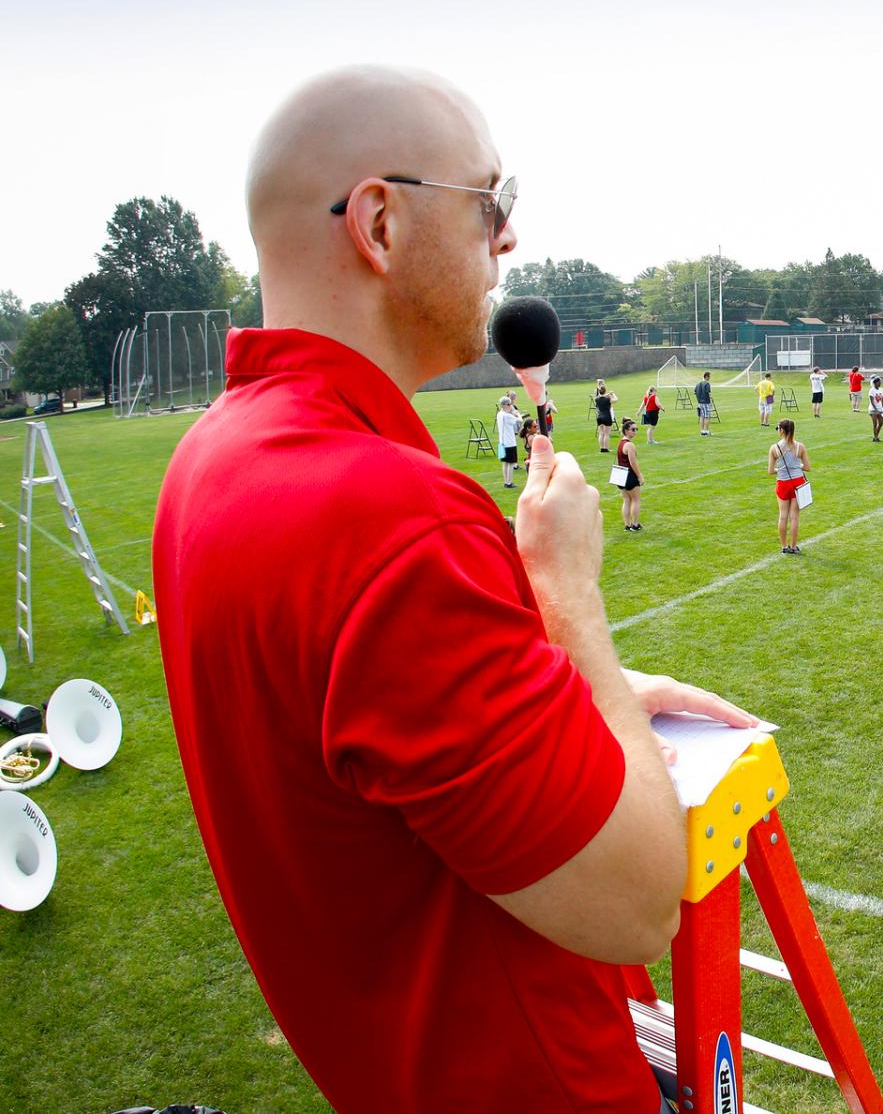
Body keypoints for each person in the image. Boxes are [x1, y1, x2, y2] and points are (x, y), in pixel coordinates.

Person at [154, 66, 760, 1113]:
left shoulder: (206, 459)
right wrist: (570, 602)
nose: (508, 239)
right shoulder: (394, 518)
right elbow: (636, 899)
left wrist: (566, 692)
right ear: (379, 223)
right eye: (490, 203)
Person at [767, 417, 811, 553]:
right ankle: (793, 546)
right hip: (798, 482)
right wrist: (797, 466)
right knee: (794, 516)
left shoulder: (774, 448)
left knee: (783, 515)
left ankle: (784, 546)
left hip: (783, 483)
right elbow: (807, 467)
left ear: (781, 430)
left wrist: (780, 470)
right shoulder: (800, 446)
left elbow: (770, 471)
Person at [613, 417, 645, 532]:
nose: (635, 431)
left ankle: (627, 524)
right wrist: (640, 475)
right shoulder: (630, 445)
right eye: (633, 429)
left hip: (620, 475)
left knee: (626, 500)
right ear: (626, 430)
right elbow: (633, 463)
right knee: (636, 500)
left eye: (636, 429)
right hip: (629, 476)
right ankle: (635, 524)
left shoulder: (621, 443)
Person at [494, 393, 522, 487]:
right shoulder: (507, 416)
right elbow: (520, 420)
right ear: (505, 405)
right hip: (510, 442)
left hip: (502, 442)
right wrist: (517, 414)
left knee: (505, 463)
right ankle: (509, 482)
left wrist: (512, 413)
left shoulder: (499, 414)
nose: (511, 406)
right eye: (509, 404)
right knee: (510, 463)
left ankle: (506, 482)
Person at [592, 379, 617, 452]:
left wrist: (606, 393)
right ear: (605, 391)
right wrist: (612, 393)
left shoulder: (597, 399)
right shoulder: (608, 399)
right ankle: (606, 448)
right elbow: (616, 399)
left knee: (601, 434)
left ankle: (601, 448)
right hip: (607, 416)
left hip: (599, 417)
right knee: (606, 434)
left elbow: (600, 396)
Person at [694, 371, 715, 436]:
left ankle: (702, 431)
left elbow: (695, 392)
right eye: (709, 376)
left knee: (701, 416)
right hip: (706, 402)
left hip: (700, 403)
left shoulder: (698, 384)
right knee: (707, 417)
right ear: (706, 376)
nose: (710, 378)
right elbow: (708, 393)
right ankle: (706, 431)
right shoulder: (707, 384)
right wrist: (711, 401)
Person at [868, 375, 883, 441]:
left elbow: (882, 400)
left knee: (881, 423)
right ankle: (875, 437)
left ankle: (876, 436)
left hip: (880, 409)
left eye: (880, 382)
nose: (880, 383)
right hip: (873, 410)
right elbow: (871, 401)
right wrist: (875, 409)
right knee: (875, 424)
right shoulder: (872, 390)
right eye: (878, 382)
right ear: (875, 383)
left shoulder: (881, 390)